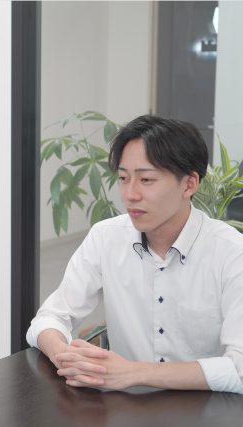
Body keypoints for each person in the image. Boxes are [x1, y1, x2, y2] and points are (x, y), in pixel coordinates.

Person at [27, 115, 243, 393]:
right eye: (123, 178)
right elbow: (49, 318)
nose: (130, 194)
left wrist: (135, 372)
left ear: (189, 184)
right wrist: (67, 357)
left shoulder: (231, 252)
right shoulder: (106, 237)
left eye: (146, 179)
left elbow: (239, 368)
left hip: (207, 407)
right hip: (125, 406)